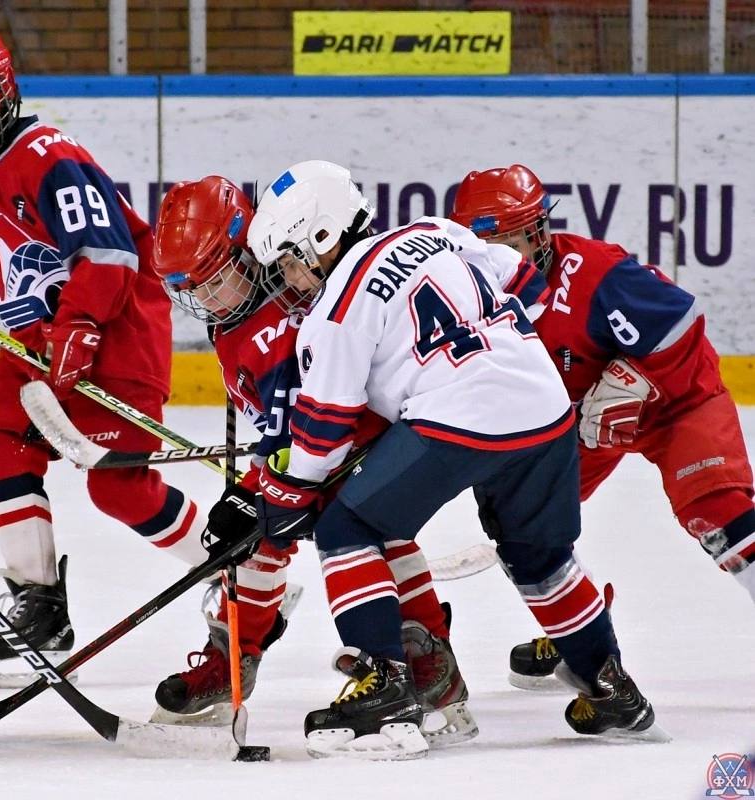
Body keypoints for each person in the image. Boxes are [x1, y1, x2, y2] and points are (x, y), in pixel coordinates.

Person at [248, 160, 664, 759]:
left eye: (288, 259)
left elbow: (324, 429)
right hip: (545, 409)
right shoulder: (438, 231)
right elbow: (528, 286)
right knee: (537, 555)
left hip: (458, 418)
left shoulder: (334, 310)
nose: (288, 278)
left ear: (321, 235)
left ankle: (386, 681)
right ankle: (609, 684)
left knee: (349, 525)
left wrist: (286, 495)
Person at [0, 21, 212, 687]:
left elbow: (108, 251)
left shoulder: (48, 155)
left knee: (116, 485)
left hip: (116, 330)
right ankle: (38, 607)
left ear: (2, 92)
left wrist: (84, 327)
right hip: (38, 339)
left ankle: (234, 568)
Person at [149, 176, 475, 744]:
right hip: (319, 447)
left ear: (246, 253)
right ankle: (237, 656)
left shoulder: (294, 299)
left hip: (366, 439)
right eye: (191, 289)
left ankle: (424, 657)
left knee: (355, 527)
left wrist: (258, 487)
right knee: (258, 537)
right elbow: (279, 428)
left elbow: (317, 416)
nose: (206, 299)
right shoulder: (235, 319)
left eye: (215, 280)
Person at [451, 163, 755, 689]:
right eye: (485, 248)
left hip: (676, 403)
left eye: (510, 243)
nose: (496, 261)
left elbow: (680, 321)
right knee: (521, 518)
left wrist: (631, 381)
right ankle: (580, 626)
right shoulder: (469, 298)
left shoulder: (595, 272)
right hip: (585, 423)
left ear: (538, 233)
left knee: (718, 513)